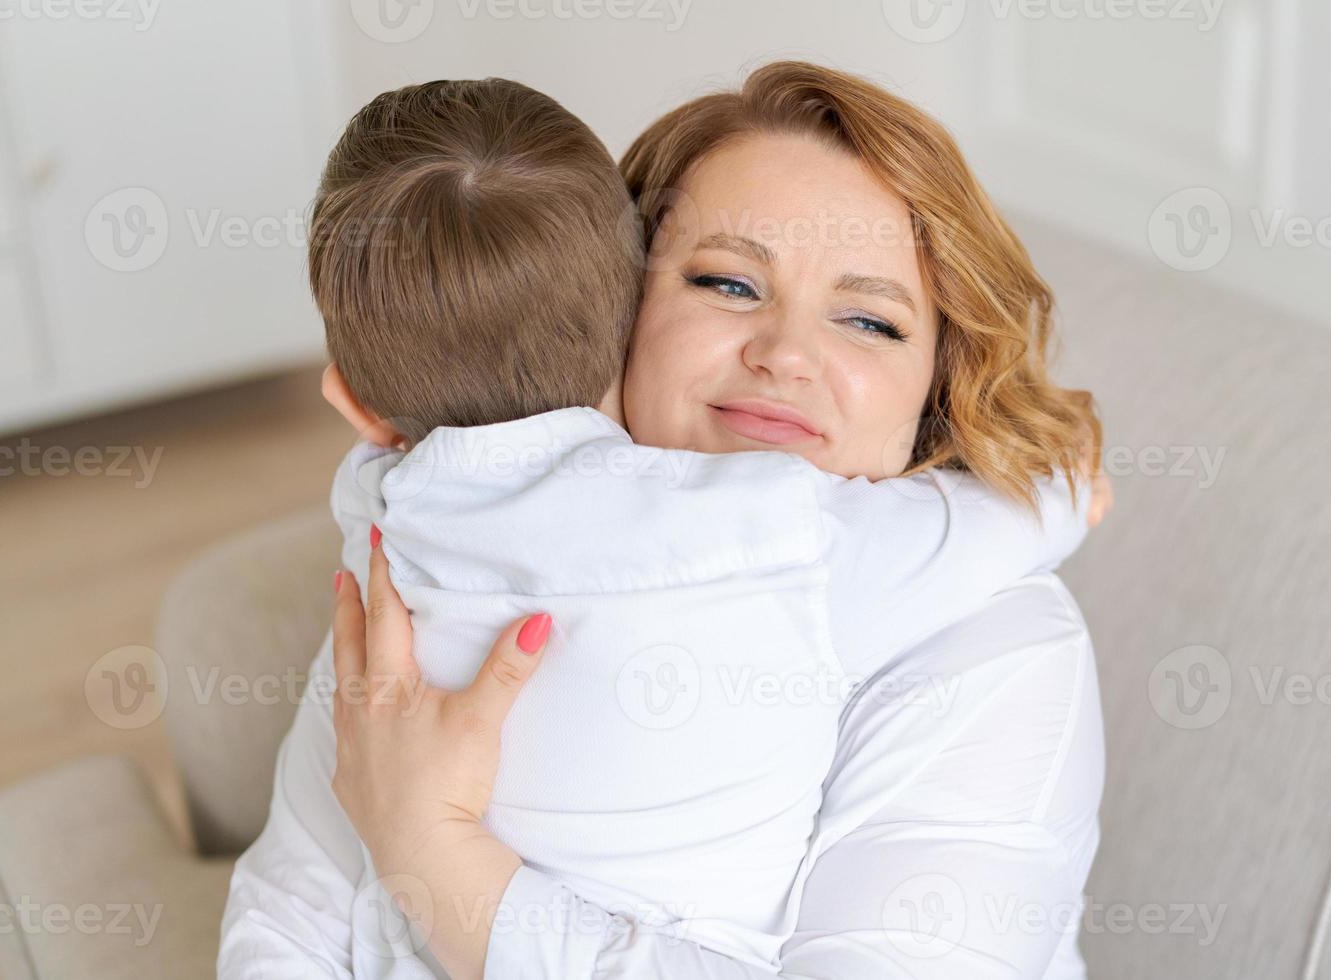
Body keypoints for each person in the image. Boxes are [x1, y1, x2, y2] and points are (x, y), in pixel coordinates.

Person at [222, 61, 1110, 980]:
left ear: (937, 386)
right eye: (727, 283)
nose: (785, 354)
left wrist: (429, 853)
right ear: (615, 308)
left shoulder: (1001, 645)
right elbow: (290, 901)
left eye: (871, 322)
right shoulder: (424, 547)